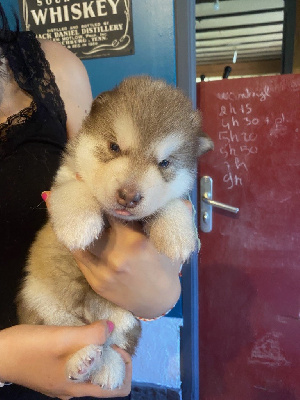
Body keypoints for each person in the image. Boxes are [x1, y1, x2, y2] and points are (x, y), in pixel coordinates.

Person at [0, 3, 182, 399]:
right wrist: (6, 358)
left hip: (87, 351)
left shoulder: (54, 69)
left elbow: (86, 175)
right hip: (42, 329)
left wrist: (160, 289)